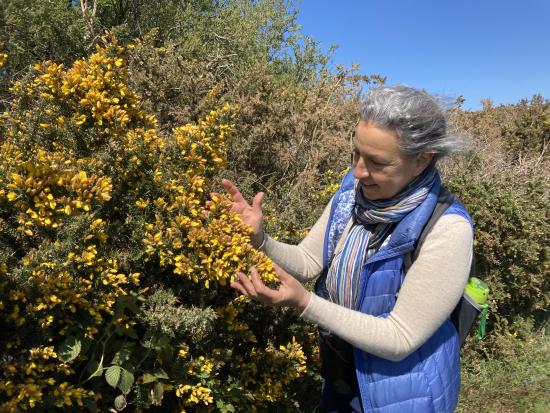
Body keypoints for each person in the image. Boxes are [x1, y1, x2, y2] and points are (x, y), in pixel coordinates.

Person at [225, 85, 473, 413]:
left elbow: (400, 338)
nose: (358, 171)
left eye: (377, 162)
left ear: (421, 161)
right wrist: (261, 240)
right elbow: (310, 260)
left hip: (401, 394)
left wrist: (303, 302)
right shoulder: (353, 192)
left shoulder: (447, 229)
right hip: (341, 372)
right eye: (356, 153)